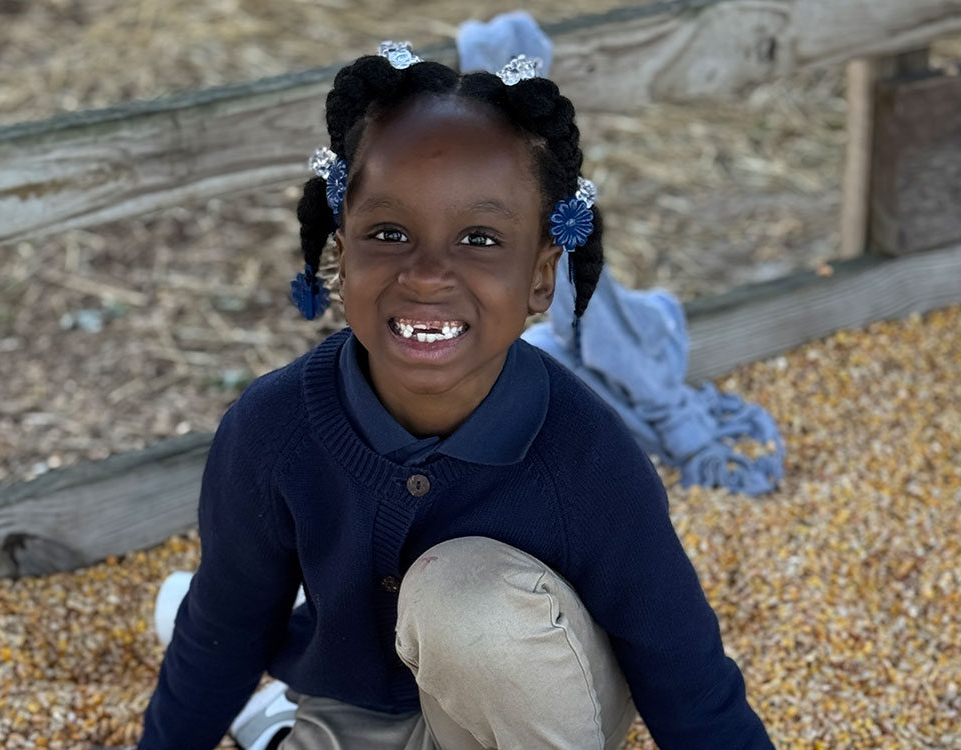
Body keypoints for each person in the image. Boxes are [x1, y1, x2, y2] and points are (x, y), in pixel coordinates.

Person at [138, 47, 775, 750]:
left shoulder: (585, 455)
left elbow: (685, 674)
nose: (429, 273)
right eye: (389, 233)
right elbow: (224, 632)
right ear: (341, 253)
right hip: (358, 721)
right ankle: (274, 724)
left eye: (480, 238)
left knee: (463, 598)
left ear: (540, 277)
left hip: (535, 715)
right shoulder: (273, 431)